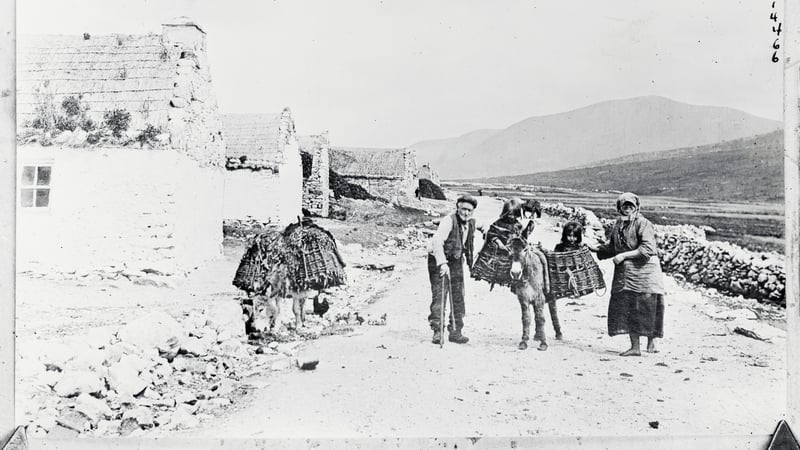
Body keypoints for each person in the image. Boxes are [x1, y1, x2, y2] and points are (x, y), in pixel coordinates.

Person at [586, 192, 665, 356]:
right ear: (619, 208)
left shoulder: (643, 223)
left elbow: (647, 249)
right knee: (630, 307)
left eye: (631, 206)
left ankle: (651, 343)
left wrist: (623, 256)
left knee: (648, 306)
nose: (628, 208)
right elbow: (613, 247)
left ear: (637, 207)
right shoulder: (619, 224)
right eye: (625, 205)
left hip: (646, 272)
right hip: (627, 274)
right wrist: (595, 249)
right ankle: (635, 347)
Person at [427, 194, 479, 344]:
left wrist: (488, 230)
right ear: (457, 208)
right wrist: (442, 263)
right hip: (439, 260)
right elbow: (437, 242)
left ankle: (455, 332)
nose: (466, 213)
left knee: (458, 296)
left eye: (469, 210)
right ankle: (438, 331)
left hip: (455, 261)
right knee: (440, 296)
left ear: (473, 212)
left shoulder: (471, 222)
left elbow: (483, 226)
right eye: (463, 209)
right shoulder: (448, 221)